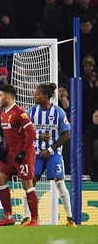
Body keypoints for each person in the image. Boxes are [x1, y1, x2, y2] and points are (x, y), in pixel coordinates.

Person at [24, 83, 75, 226]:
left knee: (59, 182)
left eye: (38, 94)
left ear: (46, 96)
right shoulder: (31, 112)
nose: (35, 96)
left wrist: (51, 149)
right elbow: (25, 132)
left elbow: (67, 135)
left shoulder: (58, 112)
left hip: (53, 153)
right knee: (30, 182)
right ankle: (28, 218)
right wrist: (39, 136)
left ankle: (70, 219)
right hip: (36, 153)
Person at [0, 83, 40, 227]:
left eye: (0, 96)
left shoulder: (19, 112)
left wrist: (23, 152)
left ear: (8, 96)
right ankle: (8, 216)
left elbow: (32, 133)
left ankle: (34, 220)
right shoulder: (3, 114)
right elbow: (9, 136)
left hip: (23, 153)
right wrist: (5, 150)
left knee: (27, 185)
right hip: (11, 154)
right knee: (0, 181)